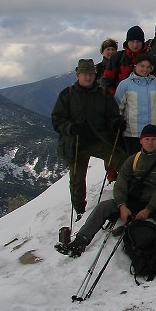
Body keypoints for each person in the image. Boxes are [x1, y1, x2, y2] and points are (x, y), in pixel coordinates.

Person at [62, 124, 156, 276]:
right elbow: (120, 184)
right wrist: (121, 205)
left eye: (153, 139)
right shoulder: (132, 160)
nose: (150, 142)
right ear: (141, 141)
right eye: (147, 139)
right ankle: (80, 242)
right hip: (134, 201)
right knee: (103, 207)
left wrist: (149, 209)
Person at [52, 59, 128, 216]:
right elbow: (57, 120)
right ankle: (80, 211)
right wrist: (71, 128)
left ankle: (127, 194)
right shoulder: (67, 95)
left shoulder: (103, 94)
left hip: (99, 140)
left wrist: (116, 123)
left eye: (91, 74)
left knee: (123, 162)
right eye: (85, 74)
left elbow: (112, 115)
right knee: (77, 180)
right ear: (78, 75)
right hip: (76, 143)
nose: (88, 77)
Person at [115, 54, 156, 155]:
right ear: (135, 66)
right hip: (132, 132)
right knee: (134, 162)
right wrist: (118, 122)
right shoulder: (125, 84)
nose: (145, 69)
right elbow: (118, 107)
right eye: (142, 65)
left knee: (153, 162)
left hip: (152, 132)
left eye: (148, 67)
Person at [102, 26, 148, 95]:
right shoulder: (117, 57)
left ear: (142, 42)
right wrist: (116, 95)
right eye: (132, 41)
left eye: (138, 41)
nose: (135, 45)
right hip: (120, 101)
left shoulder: (149, 58)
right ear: (127, 42)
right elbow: (107, 80)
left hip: (144, 100)